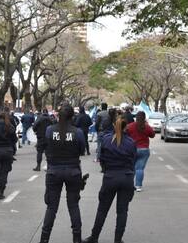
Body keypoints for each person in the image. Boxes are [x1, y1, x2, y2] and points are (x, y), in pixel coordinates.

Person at [83, 115, 137, 243]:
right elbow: (133, 161)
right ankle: (118, 240)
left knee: (102, 209)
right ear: (126, 128)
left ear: (114, 126)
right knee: (122, 211)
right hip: (126, 177)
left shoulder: (107, 140)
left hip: (110, 177)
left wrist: (107, 170)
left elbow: (102, 159)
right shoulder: (131, 142)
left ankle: (94, 237)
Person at [38, 104, 86, 243]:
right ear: (72, 117)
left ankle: (44, 239)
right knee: (73, 205)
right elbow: (82, 150)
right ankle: (77, 239)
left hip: (53, 171)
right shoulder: (77, 132)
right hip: (73, 171)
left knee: (52, 207)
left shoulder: (49, 130)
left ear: (58, 115)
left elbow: (45, 145)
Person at [126, 111, 155, 192]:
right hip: (144, 150)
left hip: (132, 149)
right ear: (144, 118)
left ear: (136, 117)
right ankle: (138, 186)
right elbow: (152, 135)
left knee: (131, 168)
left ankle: (129, 184)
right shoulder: (146, 126)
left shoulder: (130, 126)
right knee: (140, 169)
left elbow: (125, 134)